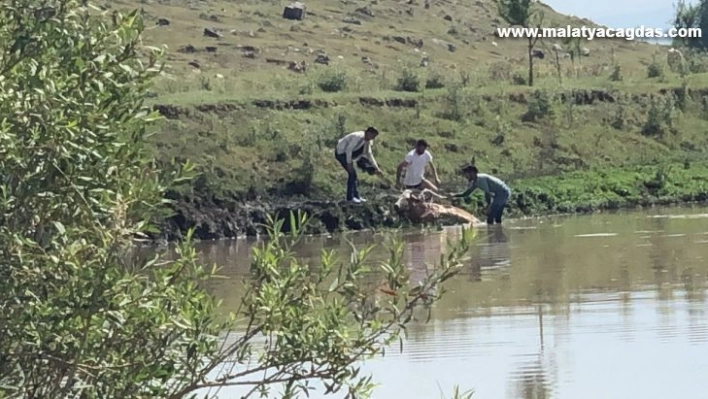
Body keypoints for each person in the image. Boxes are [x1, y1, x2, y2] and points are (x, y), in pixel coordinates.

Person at [334, 127, 383, 203]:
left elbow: (369, 154)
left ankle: (356, 196)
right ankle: (350, 198)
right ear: (368, 133)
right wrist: (349, 163)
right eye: (373, 136)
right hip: (341, 152)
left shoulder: (367, 141)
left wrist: (376, 168)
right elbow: (349, 150)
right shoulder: (358, 137)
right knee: (352, 174)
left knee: (354, 175)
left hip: (349, 153)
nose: (373, 138)